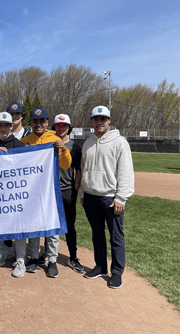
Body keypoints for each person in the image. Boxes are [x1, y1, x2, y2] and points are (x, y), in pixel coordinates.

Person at [79, 105, 134, 289]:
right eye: (96, 119)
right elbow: (84, 169)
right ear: (92, 121)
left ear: (109, 121)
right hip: (91, 196)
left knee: (116, 237)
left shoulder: (119, 142)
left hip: (110, 198)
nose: (99, 122)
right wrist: (82, 193)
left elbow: (126, 172)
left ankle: (116, 272)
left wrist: (121, 198)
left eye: (103, 119)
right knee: (97, 234)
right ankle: (100, 266)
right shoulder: (88, 143)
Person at [19, 106, 72, 278]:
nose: (38, 124)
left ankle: (52, 260)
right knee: (34, 226)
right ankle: (34, 257)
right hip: (32, 191)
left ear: (47, 122)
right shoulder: (25, 141)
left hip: (50, 190)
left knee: (51, 227)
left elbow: (66, 165)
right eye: (35, 121)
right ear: (31, 123)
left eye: (42, 121)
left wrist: (63, 149)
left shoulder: (55, 139)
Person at [0, 112, 30, 277]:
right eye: (0, 125)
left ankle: (20, 259)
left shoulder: (18, 144)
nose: (3, 128)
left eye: (6, 125)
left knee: (17, 227)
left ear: (11, 127)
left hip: (14, 194)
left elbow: (25, 170)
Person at [53, 114, 86, 273]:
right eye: (58, 126)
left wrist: (76, 188)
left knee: (69, 226)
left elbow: (78, 171)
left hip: (67, 190)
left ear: (69, 128)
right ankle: (49, 256)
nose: (61, 128)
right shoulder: (49, 143)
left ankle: (73, 257)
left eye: (64, 126)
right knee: (50, 225)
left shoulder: (74, 147)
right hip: (50, 190)